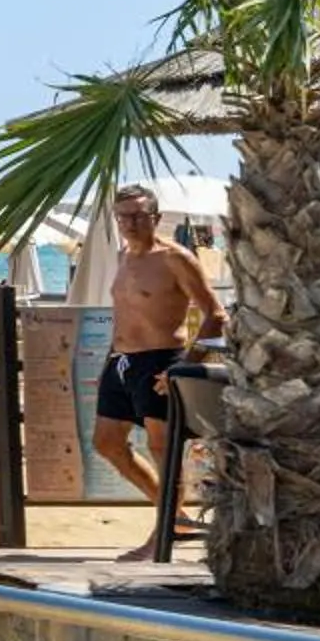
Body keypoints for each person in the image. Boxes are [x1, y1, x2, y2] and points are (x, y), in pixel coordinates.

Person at [95, 182, 223, 520]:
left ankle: (164, 530)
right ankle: (175, 520)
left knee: (162, 449)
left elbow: (216, 316)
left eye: (139, 216)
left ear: (156, 217)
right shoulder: (122, 257)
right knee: (107, 443)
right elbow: (124, 315)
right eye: (123, 217)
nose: (130, 223)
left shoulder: (175, 258)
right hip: (121, 361)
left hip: (161, 360)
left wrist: (184, 368)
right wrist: (108, 364)